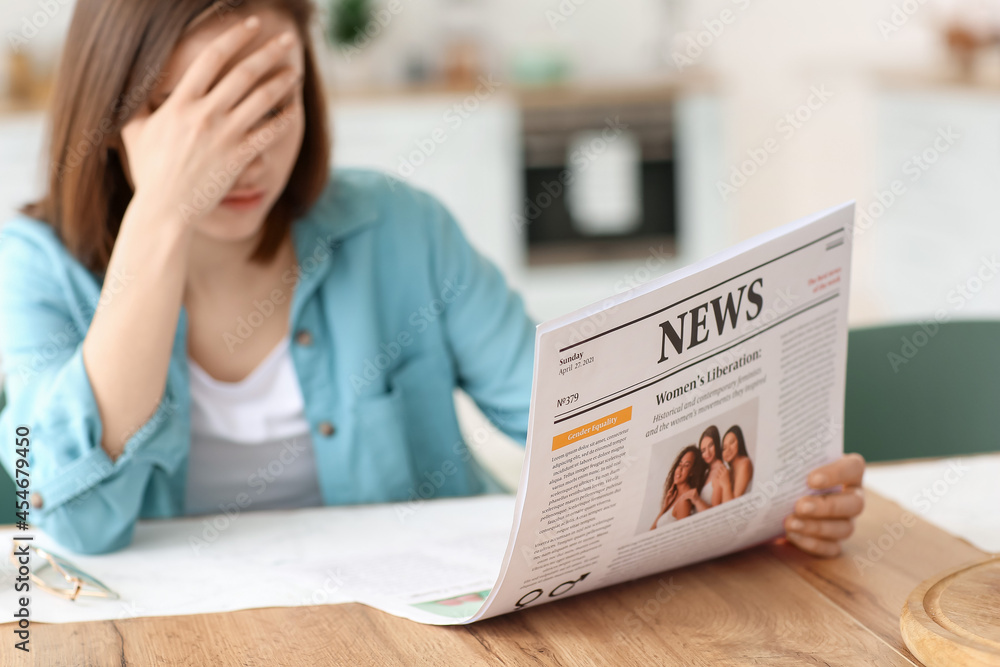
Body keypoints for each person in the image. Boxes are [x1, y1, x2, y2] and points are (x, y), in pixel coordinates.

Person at [0, 0, 866, 559]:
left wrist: (752, 503)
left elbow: (574, 423)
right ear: (113, 117)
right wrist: (163, 214)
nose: (243, 154)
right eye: (199, 118)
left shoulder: (400, 229)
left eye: (271, 106)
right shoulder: (31, 263)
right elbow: (68, 515)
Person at [649, 446, 705, 530]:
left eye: (686, 465)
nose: (679, 469)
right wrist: (665, 507)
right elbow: (652, 532)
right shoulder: (673, 497)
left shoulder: (684, 501)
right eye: (680, 464)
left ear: (692, 472)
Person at [722, 425, 754, 498]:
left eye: (732, 442)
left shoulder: (745, 463)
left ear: (739, 442)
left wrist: (725, 484)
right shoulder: (729, 471)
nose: (728, 450)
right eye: (724, 448)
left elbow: (733, 504)